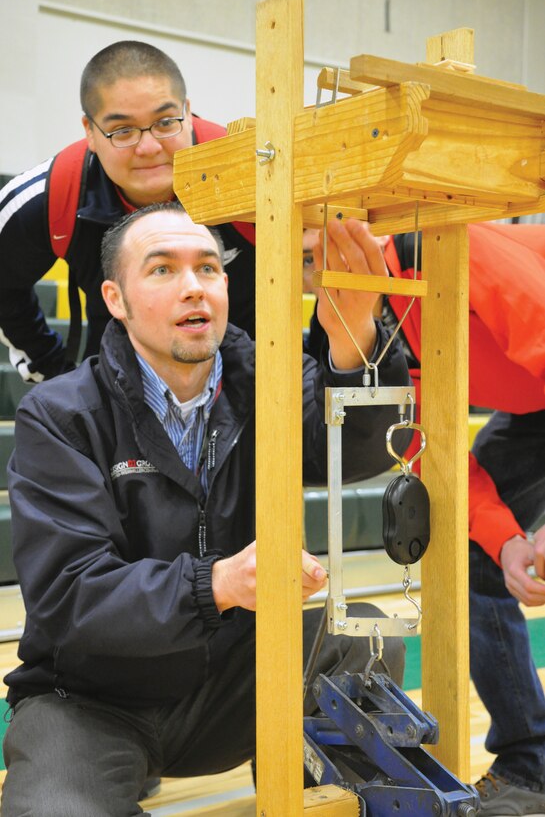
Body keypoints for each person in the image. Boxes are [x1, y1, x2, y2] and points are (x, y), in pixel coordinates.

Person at [1, 205, 411, 816]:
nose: (193, 285)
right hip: (92, 701)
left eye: (208, 268)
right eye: (162, 269)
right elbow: (69, 597)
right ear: (115, 298)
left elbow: (355, 449)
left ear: (225, 287)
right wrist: (216, 582)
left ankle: (309, 789)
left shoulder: (267, 381)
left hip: (236, 682)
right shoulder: (61, 415)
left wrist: (355, 340)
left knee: (354, 638)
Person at [305, 221, 545, 816]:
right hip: (533, 411)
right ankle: (532, 764)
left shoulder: (445, 248)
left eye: (319, 238)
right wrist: (506, 539)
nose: (313, 259)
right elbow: (433, 446)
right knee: (475, 554)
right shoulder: (357, 327)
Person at [0, 40, 256, 384]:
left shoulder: (251, 174)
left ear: (188, 111)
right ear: (90, 132)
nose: (149, 147)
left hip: (251, 392)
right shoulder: (53, 196)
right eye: (122, 130)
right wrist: (53, 372)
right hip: (115, 395)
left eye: (166, 122)